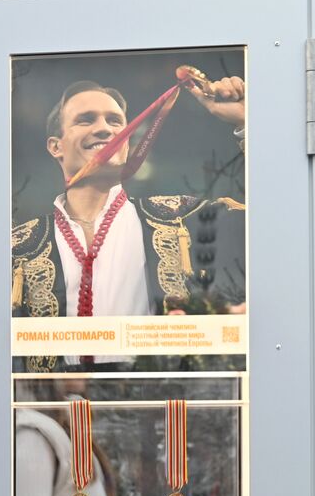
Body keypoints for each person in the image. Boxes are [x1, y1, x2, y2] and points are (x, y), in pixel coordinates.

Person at [13, 74, 247, 371]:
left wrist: (245, 124)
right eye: (86, 120)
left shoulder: (180, 220)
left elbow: (277, 227)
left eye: (115, 121)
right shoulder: (18, 246)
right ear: (55, 146)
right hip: (57, 412)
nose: (104, 129)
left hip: (160, 408)